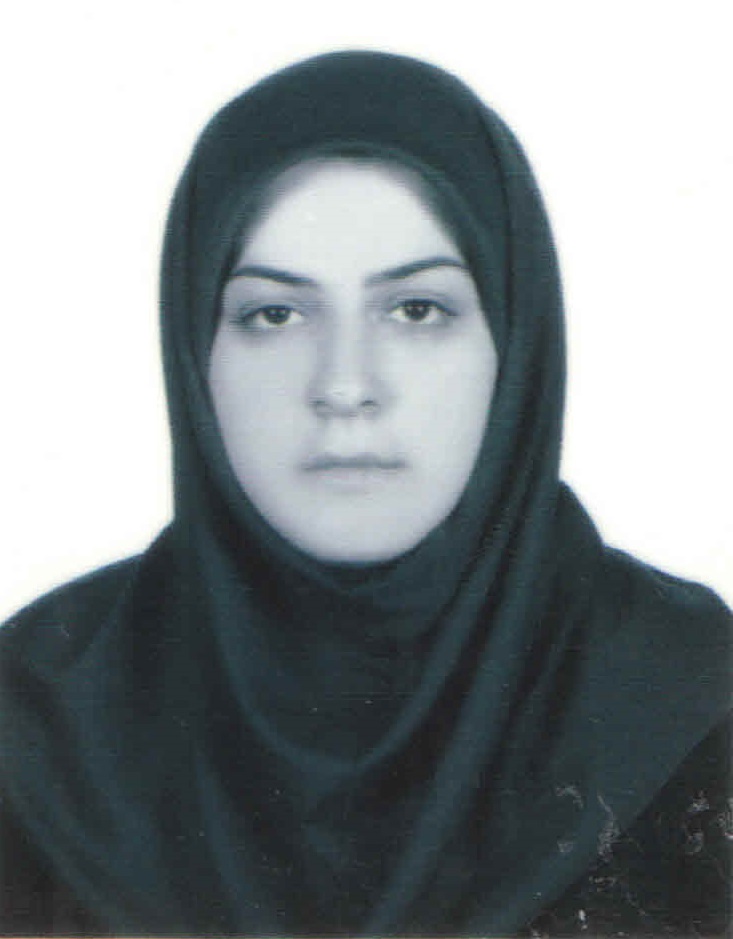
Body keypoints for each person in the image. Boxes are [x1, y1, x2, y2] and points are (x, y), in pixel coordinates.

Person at [0, 51, 730, 937]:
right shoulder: (36, 721)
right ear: (194, 348)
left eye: (416, 310)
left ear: (515, 340)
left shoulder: (695, 708)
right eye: (275, 313)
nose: (345, 384)